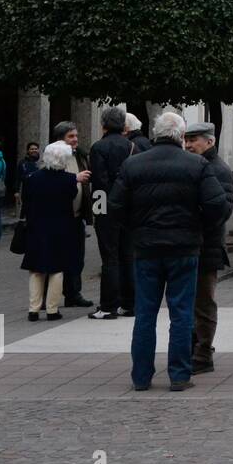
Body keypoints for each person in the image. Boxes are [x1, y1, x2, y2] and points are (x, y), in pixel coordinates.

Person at [109, 112, 231, 392]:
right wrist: (196, 227)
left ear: (156, 133)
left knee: (145, 314)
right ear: (179, 135)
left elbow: (115, 207)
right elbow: (218, 207)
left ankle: (141, 377)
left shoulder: (133, 165)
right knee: (181, 312)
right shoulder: (197, 165)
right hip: (184, 249)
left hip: (147, 249)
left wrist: (137, 229)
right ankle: (179, 375)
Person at [184, 122, 233, 375]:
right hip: (195, 244)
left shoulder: (218, 170)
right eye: (186, 140)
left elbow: (223, 210)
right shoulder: (196, 166)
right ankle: (196, 348)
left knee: (204, 303)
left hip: (208, 246)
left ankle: (203, 353)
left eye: (194, 140)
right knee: (195, 302)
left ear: (210, 142)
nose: (189, 145)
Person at [19, 142, 92, 322]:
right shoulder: (68, 180)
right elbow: (72, 197)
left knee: (36, 270)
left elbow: (25, 202)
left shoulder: (31, 178)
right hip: (61, 228)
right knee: (56, 270)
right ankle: (52, 309)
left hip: (36, 227)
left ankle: (33, 309)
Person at [88, 106, 137, 319]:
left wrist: (98, 211)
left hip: (106, 207)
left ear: (104, 124)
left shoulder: (99, 147)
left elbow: (99, 182)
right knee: (128, 255)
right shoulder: (132, 146)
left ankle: (108, 306)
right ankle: (130, 304)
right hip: (129, 208)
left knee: (110, 257)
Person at [52, 121, 94, 309]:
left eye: (76, 136)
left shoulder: (81, 156)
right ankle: (50, 296)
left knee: (77, 258)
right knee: (55, 256)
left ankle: (73, 293)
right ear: (60, 139)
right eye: (71, 136)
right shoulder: (53, 156)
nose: (75, 140)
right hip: (58, 216)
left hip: (77, 215)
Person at [15, 142, 41, 218]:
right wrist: (16, 192)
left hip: (40, 192)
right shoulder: (23, 163)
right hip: (27, 192)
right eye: (32, 149)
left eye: (36, 149)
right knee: (26, 213)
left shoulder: (41, 162)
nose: (34, 150)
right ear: (27, 151)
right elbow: (18, 177)